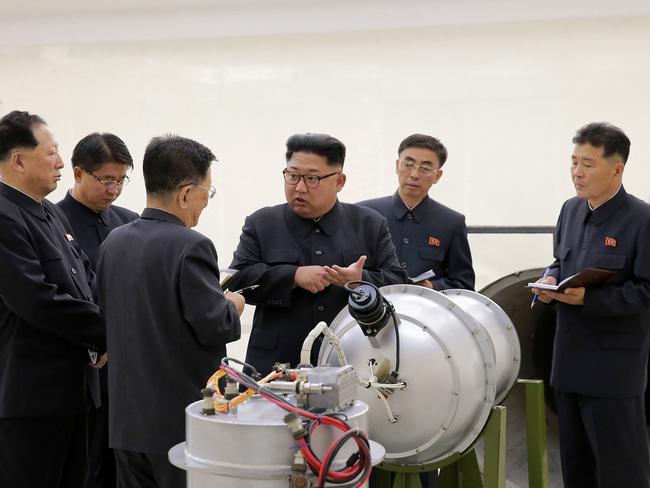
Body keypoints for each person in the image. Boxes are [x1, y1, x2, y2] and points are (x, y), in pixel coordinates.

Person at [96, 134, 244, 488]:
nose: (206, 202)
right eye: (207, 192)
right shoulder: (192, 246)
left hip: (127, 421)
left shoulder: (113, 241)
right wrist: (232, 305)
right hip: (181, 423)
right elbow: (216, 326)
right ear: (184, 194)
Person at [227, 132, 408, 376]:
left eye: (312, 178)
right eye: (292, 176)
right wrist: (293, 276)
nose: (299, 187)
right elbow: (238, 279)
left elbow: (399, 283)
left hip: (352, 360)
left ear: (340, 181)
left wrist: (359, 280)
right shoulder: (262, 222)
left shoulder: (369, 224)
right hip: (275, 363)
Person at [532, 122, 650, 487]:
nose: (577, 173)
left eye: (588, 164)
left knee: (620, 471)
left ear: (617, 169)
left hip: (613, 371)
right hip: (567, 365)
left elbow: (646, 291)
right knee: (576, 469)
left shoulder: (642, 220)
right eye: (573, 162)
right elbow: (560, 260)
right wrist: (551, 277)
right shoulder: (570, 210)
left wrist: (591, 299)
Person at [0, 110, 106, 488]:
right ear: (18, 160)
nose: (61, 163)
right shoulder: (5, 216)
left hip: (75, 391)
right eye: (51, 153)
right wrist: (106, 332)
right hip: (32, 398)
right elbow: (36, 299)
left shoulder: (49, 212)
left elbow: (86, 277)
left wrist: (100, 332)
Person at [57, 132, 138, 488]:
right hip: (84, 366)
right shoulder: (54, 222)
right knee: (89, 465)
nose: (114, 189)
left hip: (129, 365)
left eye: (120, 180)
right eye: (106, 180)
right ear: (78, 173)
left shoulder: (131, 221)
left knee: (127, 462)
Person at [358, 134, 474, 291]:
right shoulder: (364, 213)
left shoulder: (452, 222)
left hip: (425, 312)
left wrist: (431, 286)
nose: (414, 174)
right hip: (371, 310)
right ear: (397, 165)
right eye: (408, 164)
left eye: (425, 168)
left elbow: (464, 284)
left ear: (437, 176)